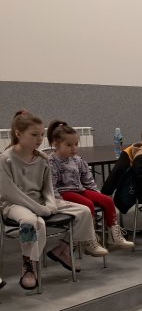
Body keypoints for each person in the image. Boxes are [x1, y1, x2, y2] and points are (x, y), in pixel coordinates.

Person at [0, 110, 108, 291]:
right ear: (18, 134)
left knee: (83, 211)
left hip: (41, 202)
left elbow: (48, 187)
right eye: (34, 135)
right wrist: (38, 209)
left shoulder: (42, 158)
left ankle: (64, 248)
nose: (39, 139)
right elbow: (10, 193)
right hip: (15, 204)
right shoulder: (5, 159)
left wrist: (50, 203)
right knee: (31, 223)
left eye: (42, 134)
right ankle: (29, 263)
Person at [47, 120, 134, 251]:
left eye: (76, 144)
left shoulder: (78, 160)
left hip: (79, 190)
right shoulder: (52, 161)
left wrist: (97, 195)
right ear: (56, 144)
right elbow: (51, 186)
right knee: (88, 204)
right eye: (69, 145)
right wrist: (59, 202)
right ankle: (89, 240)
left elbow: (88, 180)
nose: (74, 148)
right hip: (64, 193)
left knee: (107, 200)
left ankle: (114, 236)